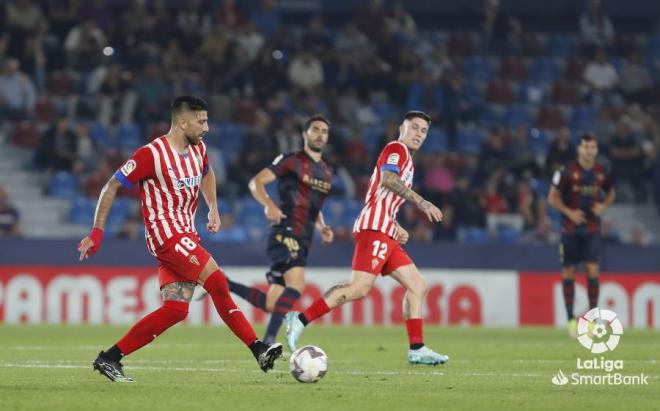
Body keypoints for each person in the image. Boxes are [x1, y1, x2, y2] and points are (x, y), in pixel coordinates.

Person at [77, 96, 282, 383]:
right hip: (167, 236)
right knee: (217, 282)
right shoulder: (152, 154)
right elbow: (111, 186)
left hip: (185, 233)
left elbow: (207, 173)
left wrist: (212, 207)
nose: (207, 128)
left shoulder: (199, 150)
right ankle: (258, 348)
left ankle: (109, 358)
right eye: (202, 121)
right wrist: (97, 231)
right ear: (182, 122)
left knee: (175, 309)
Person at [285, 111, 449, 366]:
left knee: (418, 286)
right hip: (374, 229)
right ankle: (300, 318)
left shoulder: (408, 160)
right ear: (401, 129)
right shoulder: (397, 149)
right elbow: (388, 179)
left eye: (423, 131)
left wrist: (394, 224)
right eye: (414, 127)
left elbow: (379, 195)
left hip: (385, 229)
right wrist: (422, 202)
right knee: (359, 288)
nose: (418, 133)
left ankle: (417, 348)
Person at [199, 114, 334, 345]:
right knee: (297, 284)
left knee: (271, 304)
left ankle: (224, 283)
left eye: (324, 131)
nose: (320, 134)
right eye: (315, 129)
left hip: (305, 236)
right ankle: (270, 340)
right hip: (285, 229)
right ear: (305, 134)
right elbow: (256, 182)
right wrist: (269, 204)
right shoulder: (292, 160)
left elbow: (313, 206)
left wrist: (323, 227)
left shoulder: (326, 172)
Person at [547, 133, 615, 337]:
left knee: (592, 272)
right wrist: (570, 212)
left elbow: (611, 192)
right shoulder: (566, 171)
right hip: (570, 230)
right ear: (579, 149)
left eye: (592, 147)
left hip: (592, 229)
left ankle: (593, 320)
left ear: (596, 150)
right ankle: (570, 321)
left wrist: (603, 205)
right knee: (568, 273)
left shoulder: (602, 172)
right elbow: (552, 198)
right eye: (585, 147)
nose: (589, 150)